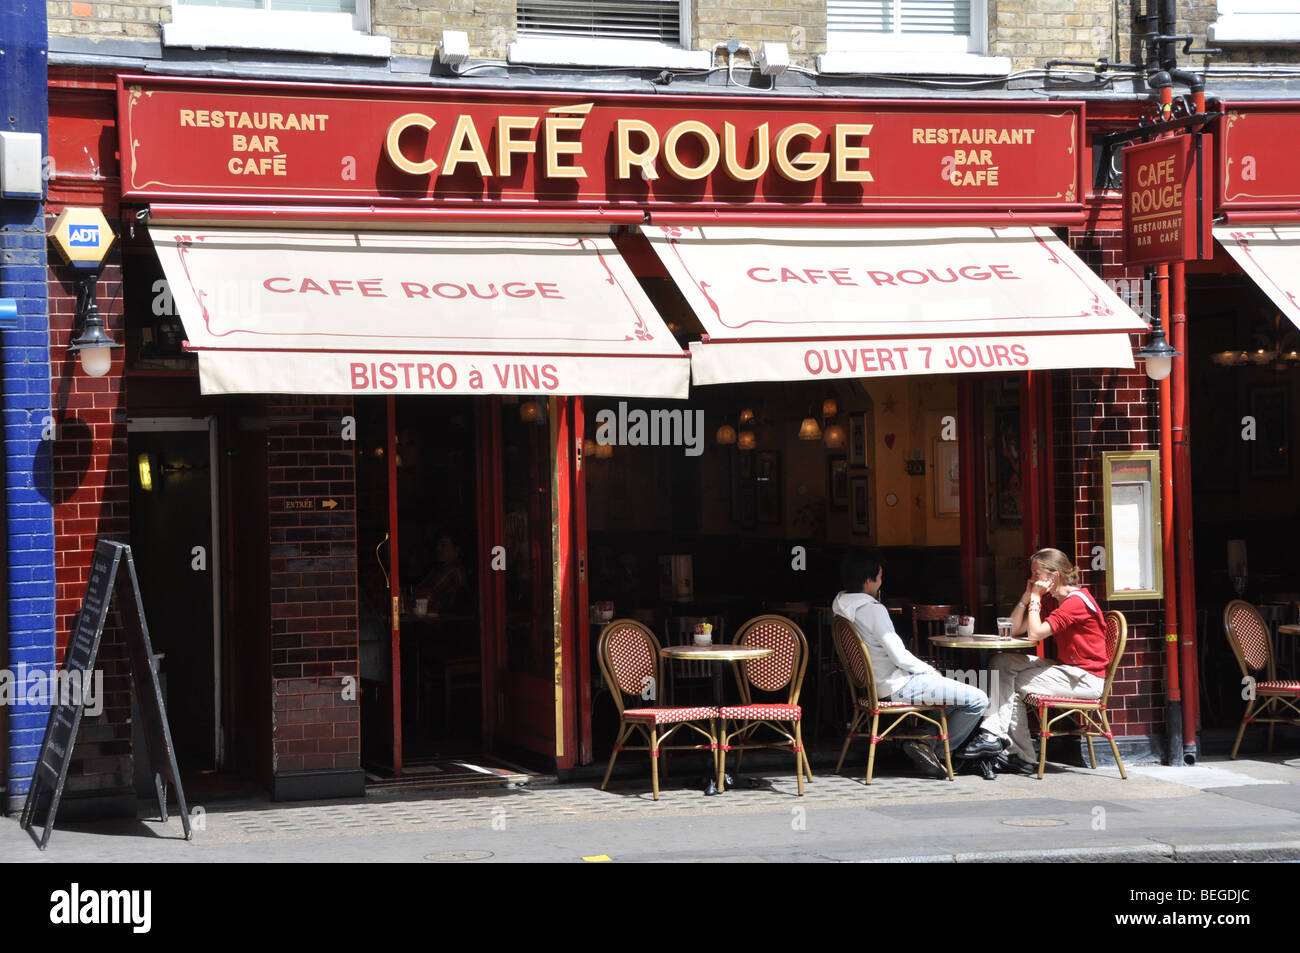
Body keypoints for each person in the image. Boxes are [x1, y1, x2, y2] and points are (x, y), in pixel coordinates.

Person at [832, 550, 999, 779]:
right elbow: (899, 656)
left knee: (953, 698)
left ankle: (921, 740)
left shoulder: (840, 607)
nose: (881, 582)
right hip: (897, 685)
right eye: (880, 577)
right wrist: (929, 670)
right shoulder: (872, 609)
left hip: (874, 686)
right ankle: (937, 751)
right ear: (869, 580)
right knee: (978, 699)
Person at [972, 547, 1110, 775]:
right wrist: (1027, 598)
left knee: (1012, 682)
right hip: (1066, 669)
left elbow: (1035, 634)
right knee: (1001, 662)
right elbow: (1015, 630)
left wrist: (1036, 597)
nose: (1032, 579)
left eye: (1036, 574)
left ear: (1054, 576)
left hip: (1085, 678)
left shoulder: (1076, 601)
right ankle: (996, 737)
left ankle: (1018, 753)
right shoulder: (1053, 599)